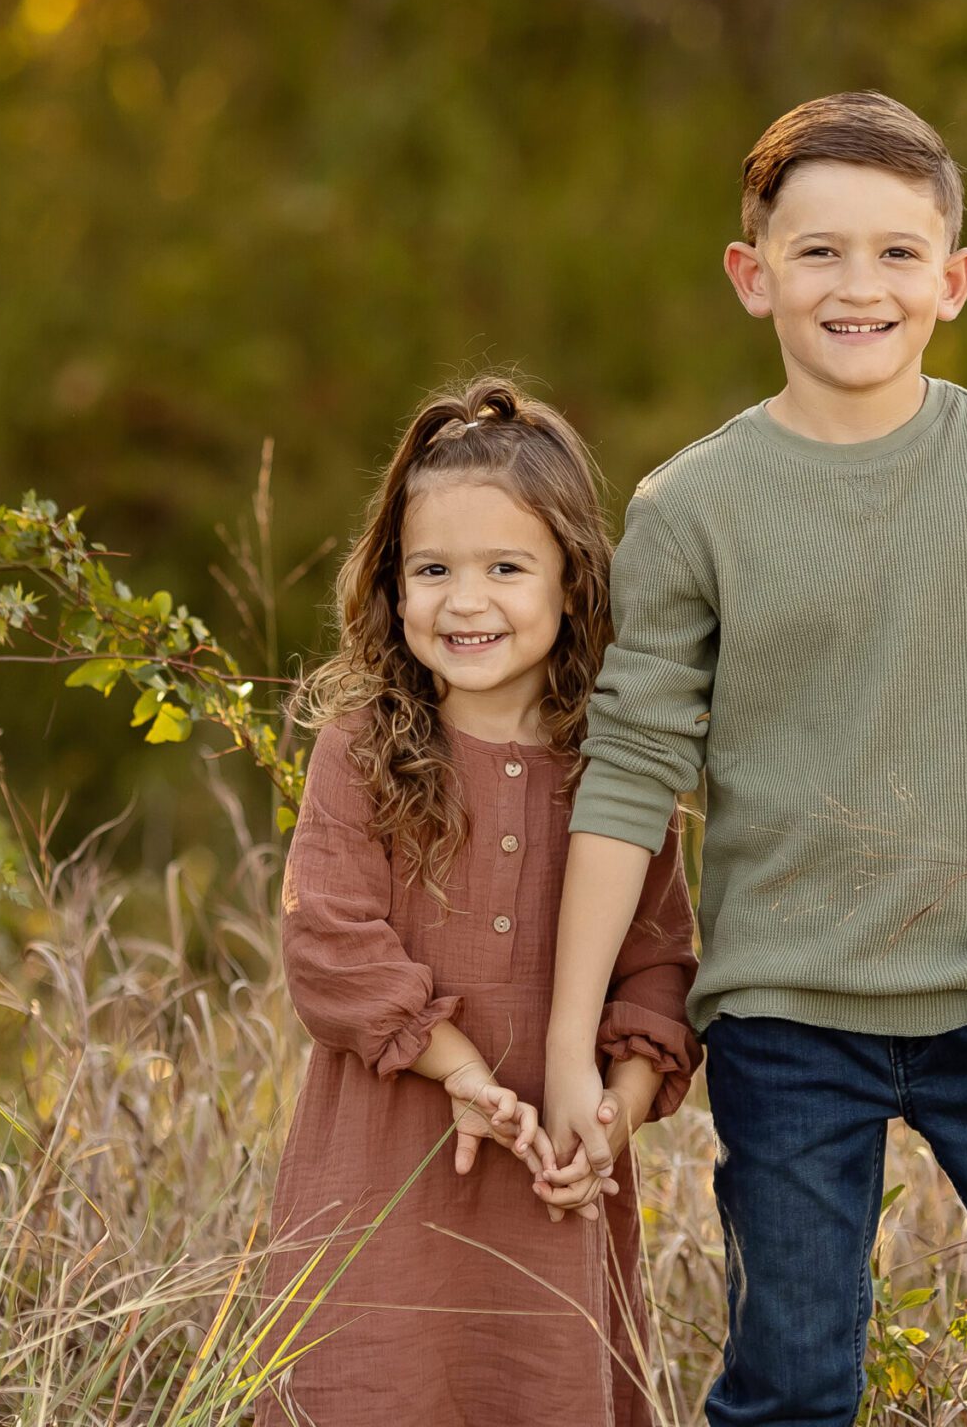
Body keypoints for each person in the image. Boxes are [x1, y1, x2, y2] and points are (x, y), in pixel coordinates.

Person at [541, 93, 967, 1426]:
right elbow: (628, 776)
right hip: (788, 1022)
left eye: (899, 253)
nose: (861, 286)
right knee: (790, 1386)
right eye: (819, 252)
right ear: (753, 276)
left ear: (955, 279)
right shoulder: (693, 508)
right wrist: (570, 1039)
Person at [267, 376, 700, 1426]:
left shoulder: (618, 767)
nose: (466, 601)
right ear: (391, 587)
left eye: (506, 567)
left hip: (550, 1182)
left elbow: (660, 969)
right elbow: (327, 941)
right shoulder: (363, 747)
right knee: (368, 1381)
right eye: (432, 570)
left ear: (571, 582)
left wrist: (609, 1117)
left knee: (536, 1391)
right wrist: (461, 1070)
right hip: (379, 1178)